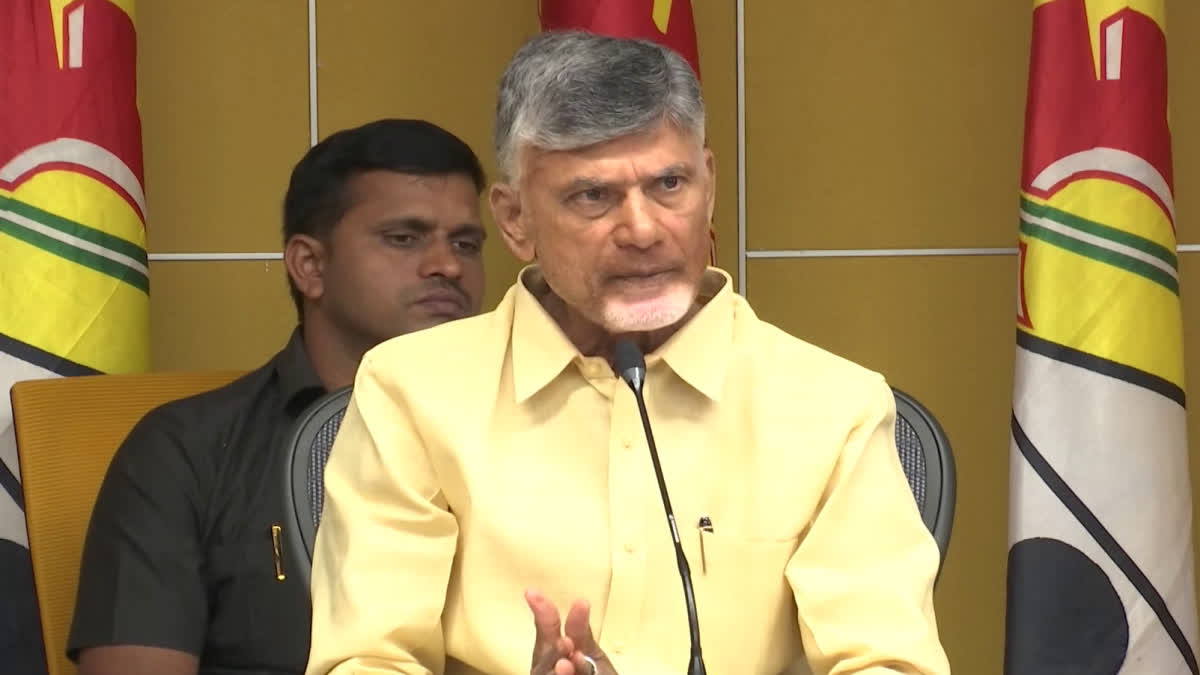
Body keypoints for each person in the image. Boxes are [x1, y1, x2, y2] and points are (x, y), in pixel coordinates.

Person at [305, 33, 951, 675]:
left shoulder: (833, 406)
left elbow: (889, 663)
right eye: (592, 196)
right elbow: (367, 660)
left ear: (710, 185)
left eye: (669, 183)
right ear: (514, 219)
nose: (642, 230)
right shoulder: (410, 392)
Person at [67, 118, 488, 675]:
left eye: (465, 243)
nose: (448, 265)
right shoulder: (185, 452)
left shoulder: (534, 435)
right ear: (310, 266)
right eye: (403, 238)